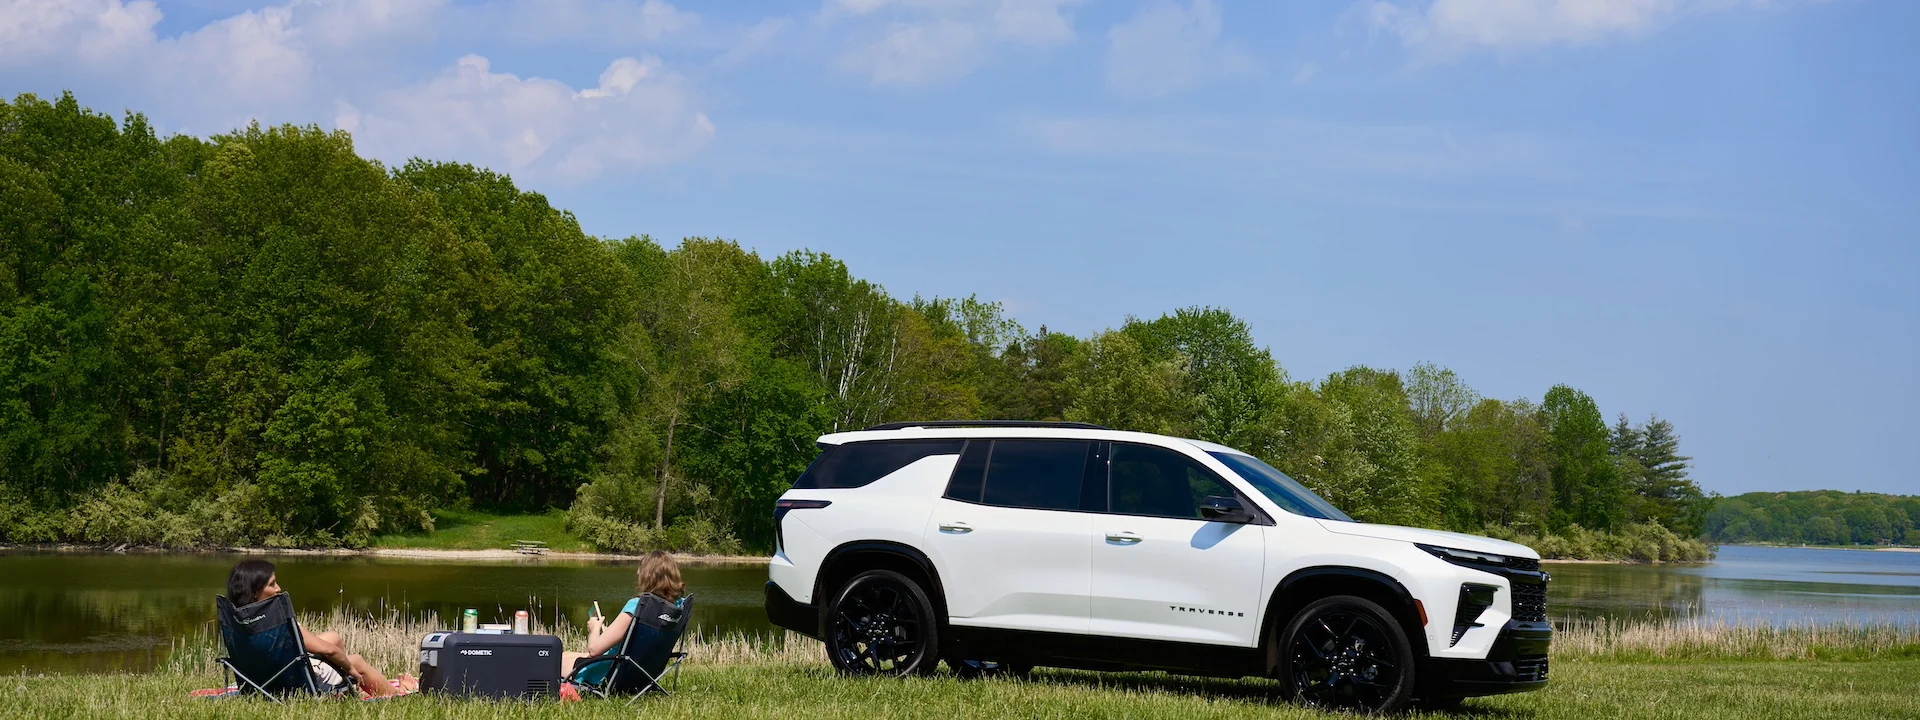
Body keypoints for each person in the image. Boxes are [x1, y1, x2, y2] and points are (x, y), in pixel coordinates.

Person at [224, 559, 417, 698]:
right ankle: (397, 693)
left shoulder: (236, 619)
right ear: (256, 593)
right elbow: (329, 651)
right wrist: (350, 669)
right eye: (272, 584)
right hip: (291, 684)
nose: (278, 589)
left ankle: (346, 690)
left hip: (259, 680)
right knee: (356, 661)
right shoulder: (278, 622)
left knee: (332, 636)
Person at [562, 550, 686, 683]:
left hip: (612, 674)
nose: (637, 573)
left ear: (647, 575)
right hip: (644, 675)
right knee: (565, 655)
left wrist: (594, 629)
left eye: (640, 569)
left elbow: (594, 650)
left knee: (554, 659)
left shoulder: (637, 607)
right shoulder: (677, 608)